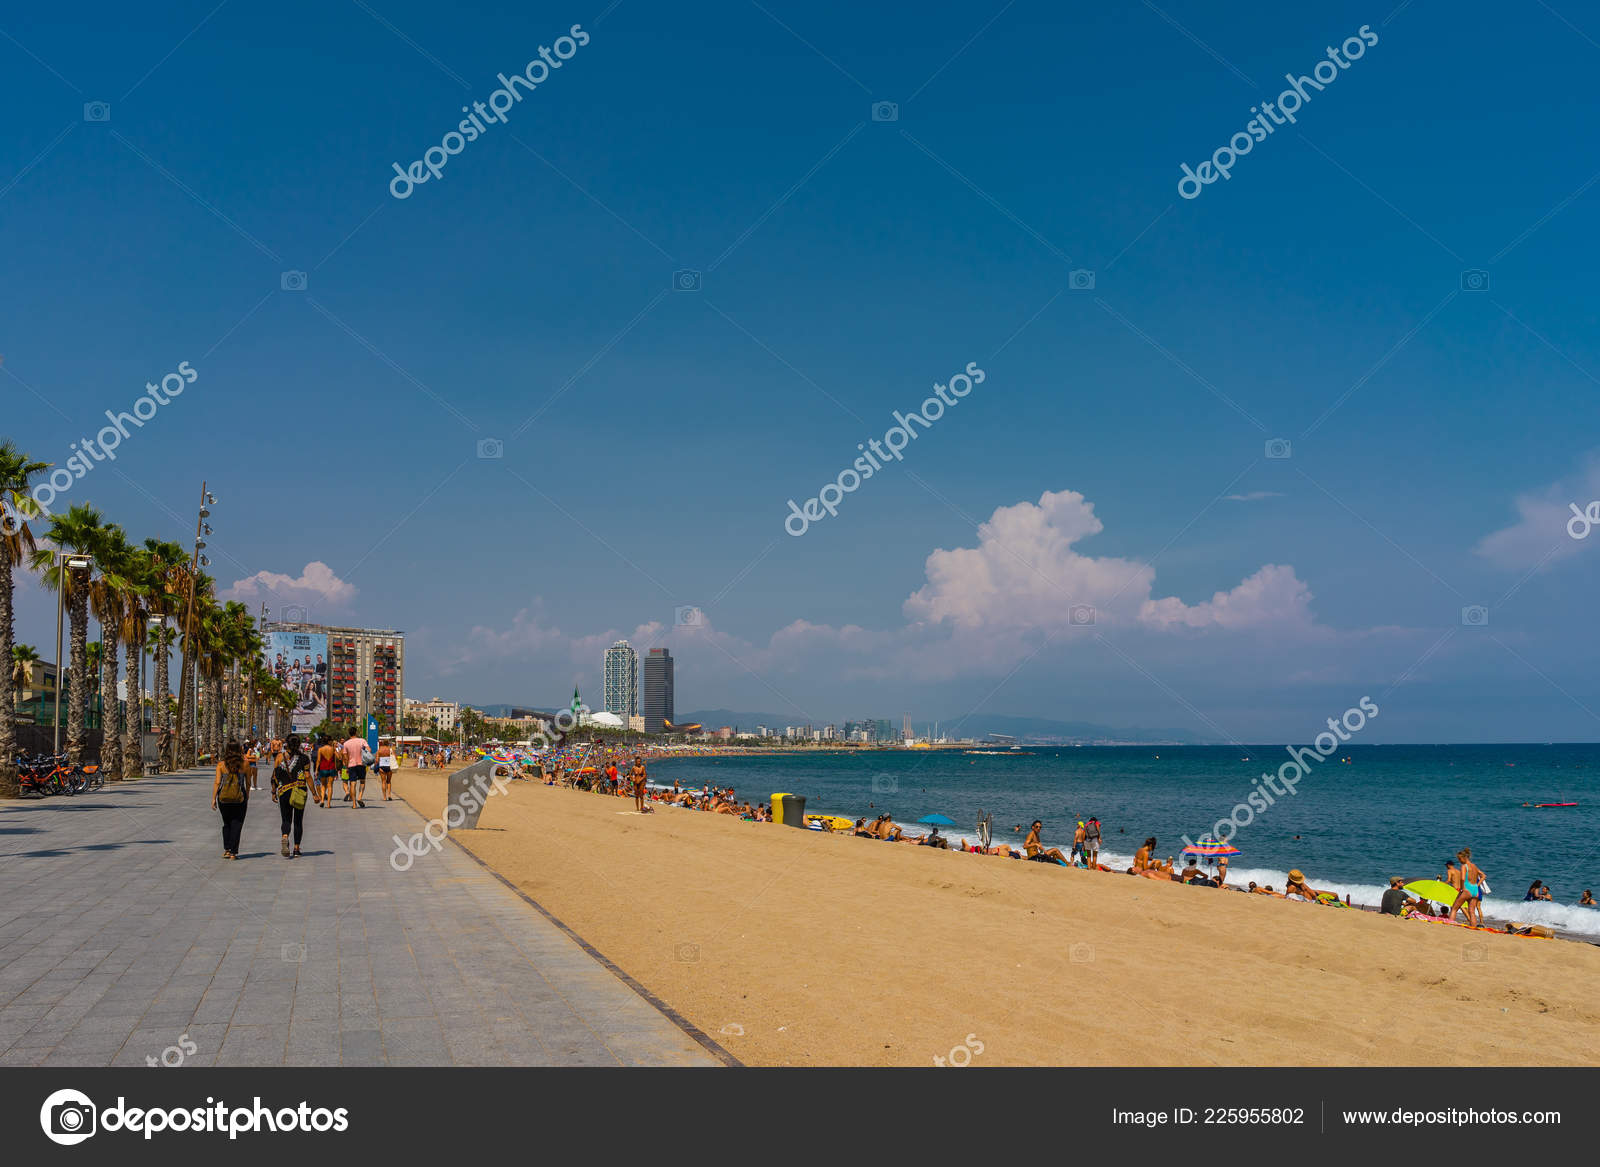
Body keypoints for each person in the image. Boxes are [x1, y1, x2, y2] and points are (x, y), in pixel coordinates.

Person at [272, 733, 310, 859]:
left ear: (286, 744)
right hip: (299, 791)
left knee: (286, 819)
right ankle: (296, 849)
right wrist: (315, 794)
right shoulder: (304, 758)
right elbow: (308, 776)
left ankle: (285, 837)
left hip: (284, 792)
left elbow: (274, 776)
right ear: (299, 744)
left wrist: (273, 792)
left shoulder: (279, 757)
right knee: (298, 821)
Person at [212, 740, 250, 859]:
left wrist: (213, 798)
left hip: (224, 797)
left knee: (227, 823)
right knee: (237, 823)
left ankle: (227, 850)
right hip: (240, 797)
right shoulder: (245, 764)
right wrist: (247, 795)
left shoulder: (221, 765)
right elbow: (248, 782)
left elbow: (218, 782)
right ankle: (233, 852)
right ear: (239, 749)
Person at [342, 727, 369, 808]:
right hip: (361, 764)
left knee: (353, 784)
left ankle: (354, 804)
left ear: (349, 733)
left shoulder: (346, 743)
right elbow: (369, 750)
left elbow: (345, 757)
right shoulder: (362, 741)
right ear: (356, 732)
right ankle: (360, 797)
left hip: (351, 765)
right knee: (362, 781)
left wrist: (346, 767)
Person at [315, 735, 340, 808]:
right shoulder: (333, 749)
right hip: (331, 769)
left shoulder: (320, 749)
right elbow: (339, 757)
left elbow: (318, 761)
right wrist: (336, 749)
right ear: (329, 741)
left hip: (323, 769)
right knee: (330, 786)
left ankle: (322, 800)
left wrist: (316, 770)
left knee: (323, 785)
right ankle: (328, 804)